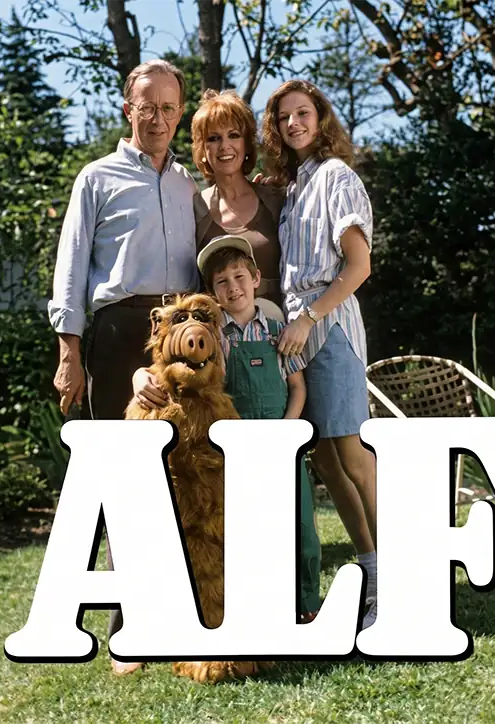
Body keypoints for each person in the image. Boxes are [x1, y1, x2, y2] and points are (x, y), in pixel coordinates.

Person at [47, 59, 198, 675]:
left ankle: (183, 610)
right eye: (147, 106)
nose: (157, 118)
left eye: (168, 107)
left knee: (179, 469)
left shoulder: (188, 183)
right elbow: (71, 266)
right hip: (116, 333)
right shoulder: (96, 178)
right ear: (127, 109)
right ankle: (126, 626)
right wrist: (70, 352)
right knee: (123, 476)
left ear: (180, 114)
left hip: (177, 336)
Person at [133, 235, 324, 623]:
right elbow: (166, 366)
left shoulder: (278, 331)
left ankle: (305, 603)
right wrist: (139, 374)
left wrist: (286, 433)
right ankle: (257, 604)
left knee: (299, 523)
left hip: (279, 443)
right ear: (212, 293)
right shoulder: (213, 339)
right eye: (222, 282)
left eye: (239, 277)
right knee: (246, 526)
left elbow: (298, 388)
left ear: (255, 278)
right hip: (231, 449)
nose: (233, 288)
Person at [261, 79, 379, 628]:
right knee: (327, 464)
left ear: (320, 118)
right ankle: (371, 571)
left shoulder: (336, 176)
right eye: (283, 117)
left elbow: (358, 266)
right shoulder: (293, 189)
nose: (294, 123)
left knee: (352, 456)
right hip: (296, 335)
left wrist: (309, 318)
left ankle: (402, 579)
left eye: (303, 113)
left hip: (327, 328)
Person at [190, 89, 287, 315]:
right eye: (214, 138)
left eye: (233, 135)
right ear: (202, 149)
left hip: (284, 327)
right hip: (222, 331)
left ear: (247, 144)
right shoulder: (194, 209)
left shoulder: (276, 199)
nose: (225, 146)